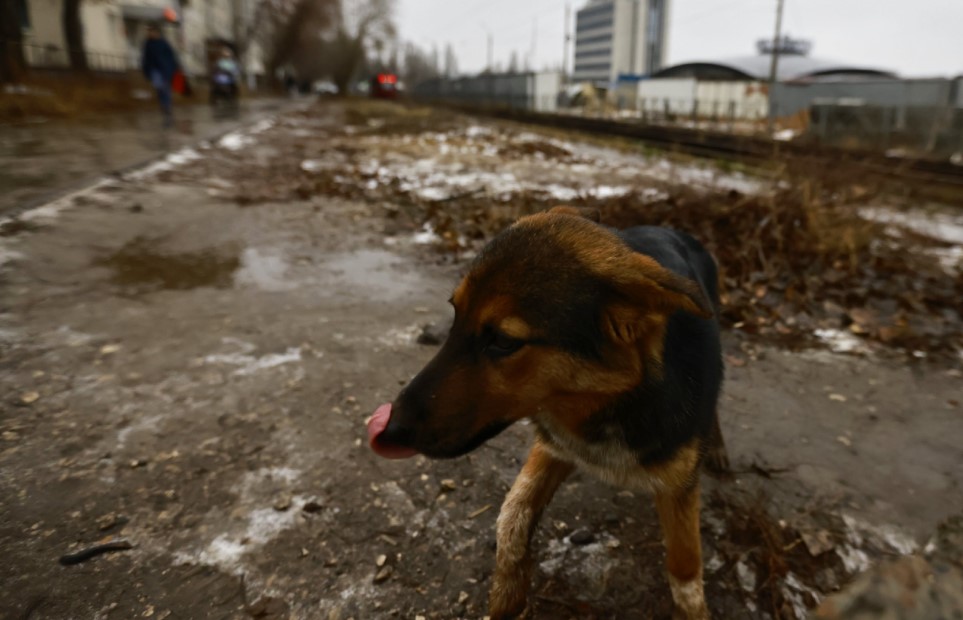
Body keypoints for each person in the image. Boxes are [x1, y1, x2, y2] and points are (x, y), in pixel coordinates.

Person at [141, 24, 180, 127]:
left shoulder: (163, 43)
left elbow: (171, 56)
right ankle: (165, 108)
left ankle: (167, 110)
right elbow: (145, 58)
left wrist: (174, 68)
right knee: (160, 89)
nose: (150, 34)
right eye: (149, 32)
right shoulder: (148, 44)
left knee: (164, 89)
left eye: (152, 32)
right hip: (155, 71)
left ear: (157, 32)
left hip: (165, 70)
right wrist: (146, 70)